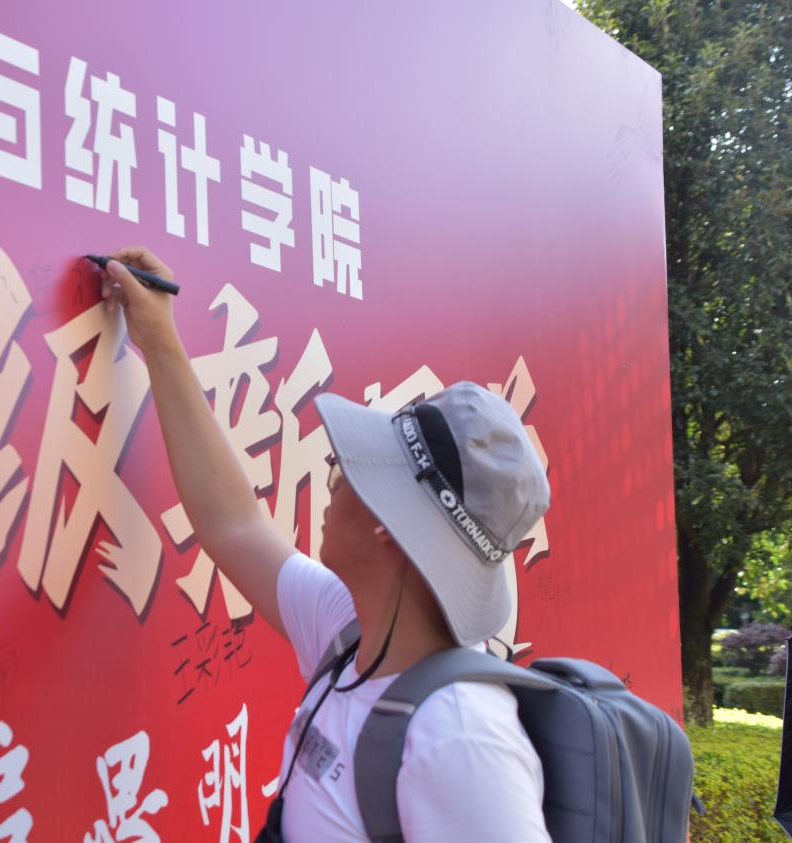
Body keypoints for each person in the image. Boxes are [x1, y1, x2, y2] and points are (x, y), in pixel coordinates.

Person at [98, 246, 552, 842]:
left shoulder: (461, 737)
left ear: (389, 524)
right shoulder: (353, 636)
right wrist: (159, 340)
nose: (332, 478)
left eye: (355, 471)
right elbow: (233, 523)